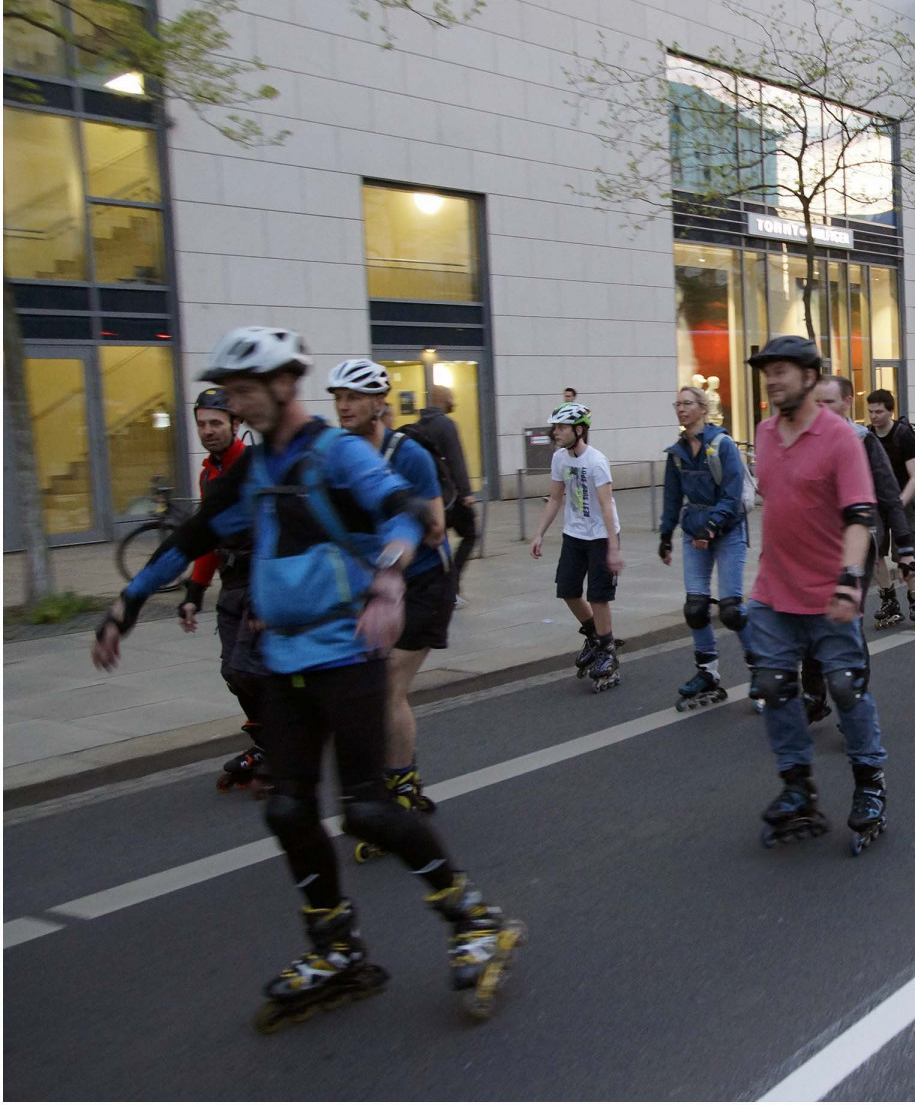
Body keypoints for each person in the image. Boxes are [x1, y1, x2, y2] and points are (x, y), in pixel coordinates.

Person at [95, 326, 519, 1027]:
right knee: (287, 808)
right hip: (286, 663)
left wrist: (388, 579)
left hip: (347, 656)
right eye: (228, 394)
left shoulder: (339, 454)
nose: (234, 405)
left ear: (284, 384)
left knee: (368, 810)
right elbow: (195, 536)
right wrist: (128, 604)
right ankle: (337, 947)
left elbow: (407, 514)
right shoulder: (256, 468)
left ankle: (475, 921)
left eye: (243, 392)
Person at [740, 336, 889, 853]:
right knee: (774, 686)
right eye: (767, 372)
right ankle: (797, 784)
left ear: (809, 376)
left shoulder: (841, 438)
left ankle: (870, 781)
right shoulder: (763, 433)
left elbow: (860, 516)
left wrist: (850, 580)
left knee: (846, 687)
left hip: (829, 592)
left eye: (781, 371)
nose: (772, 380)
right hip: (773, 590)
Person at [325, 359, 454, 847]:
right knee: (362, 691)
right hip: (372, 588)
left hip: (423, 584)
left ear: (379, 403)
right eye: (339, 397)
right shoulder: (338, 455)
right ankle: (390, 780)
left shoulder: (409, 455)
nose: (344, 406)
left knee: (387, 688)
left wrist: (391, 546)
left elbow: (435, 528)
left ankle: (399, 789)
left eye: (354, 398)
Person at [803, 375, 915, 724]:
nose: (821, 409)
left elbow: (889, 495)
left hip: (859, 541)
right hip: (817, 542)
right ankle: (813, 694)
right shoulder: (805, 440)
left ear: (848, 402)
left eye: (829, 402)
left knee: (846, 616)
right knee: (812, 616)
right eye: (816, 402)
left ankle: (853, 699)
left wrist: (906, 547)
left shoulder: (862, 440)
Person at [178, 387, 267, 795]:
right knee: (232, 673)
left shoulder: (254, 469)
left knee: (249, 669)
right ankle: (269, 743)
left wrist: (267, 595)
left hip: (260, 582)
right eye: (202, 424)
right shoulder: (207, 474)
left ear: (236, 424)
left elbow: (274, 533)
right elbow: (208, 537)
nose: (208, 430)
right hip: (230, 585)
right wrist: (194, 593)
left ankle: (283, 745)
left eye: (216, 423)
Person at [658, 385, 753, 712]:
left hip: (727, 531)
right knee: (696, 608)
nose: (681, 409)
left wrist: (712, 525)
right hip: (694, 532)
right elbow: (672, 497)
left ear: (702, 408)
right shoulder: (677, 453)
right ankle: (708, 672)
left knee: (731, 611)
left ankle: (761, 669)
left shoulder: (722, 445)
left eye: (687, 403)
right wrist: (665, 535)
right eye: (677, 404)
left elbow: (732, 493)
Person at [530, 402, 625, 692]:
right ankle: (596, 637)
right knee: (568, 589)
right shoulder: (560, 458)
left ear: (579, 430)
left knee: (598, 596)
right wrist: (539, 534)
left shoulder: (596, 461)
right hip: (574, 534)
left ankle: (607, 651)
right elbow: (555, 498)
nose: (555, 432)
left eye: (561, 427)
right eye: (555, 427)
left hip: (601, 536)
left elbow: (606, 506)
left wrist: (613, 548)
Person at [865, 388, 915, 631]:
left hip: (903, 500)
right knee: (875, 553)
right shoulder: (867, 437)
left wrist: (898, 504)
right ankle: (889, 600)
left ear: (890, 411)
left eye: (879, 412)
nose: (874, 416)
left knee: (906, 552)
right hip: (876, 504)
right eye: (870, 412)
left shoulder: (904, 436)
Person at [411, 385, 479, 586]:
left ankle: (443, 580)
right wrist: (465, 493)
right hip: (450, 496)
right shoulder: (446, 425)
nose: (454, 402)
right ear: (443, 400)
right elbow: (456, 460)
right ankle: (452, 581)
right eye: (451, 398)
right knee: (470, 534)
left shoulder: (419, 425)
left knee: (439, 538)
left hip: (430, 496)